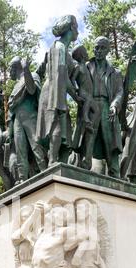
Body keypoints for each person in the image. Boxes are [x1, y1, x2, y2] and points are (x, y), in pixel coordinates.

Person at [36, 15, 82, 166]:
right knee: (57, 124)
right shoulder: (59, 47)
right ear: (71, 28)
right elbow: (60, 74)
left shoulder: (63, 50)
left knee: (64, 128)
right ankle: (52, 161)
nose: (78, 32)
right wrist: (75, 95)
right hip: (53, 91)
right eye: (76, 27)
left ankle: (58, 162)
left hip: (58, 90)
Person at [82, 36, 123, 176]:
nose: (98, 51)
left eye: (102, 48)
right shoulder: (86, 67)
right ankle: (83, 168)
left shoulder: (115, 72)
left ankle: (114, 172)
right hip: (91, 105)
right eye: (96, 47)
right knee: (88, 138)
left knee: (109, 140)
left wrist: (115, 105)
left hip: (107, 106)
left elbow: (119, 92)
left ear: (108, 50)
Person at [8, 57, 47, 183]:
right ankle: (22, 178)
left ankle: (44, 170)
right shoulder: (15, 86)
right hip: (18, 119)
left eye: (10, 69)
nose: (9, 72)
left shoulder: (32, 75)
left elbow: (31, 90)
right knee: (20, 149)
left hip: (30, 115)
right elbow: (11, 104)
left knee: (36, 144)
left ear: (15, 67)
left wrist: (26, 69)